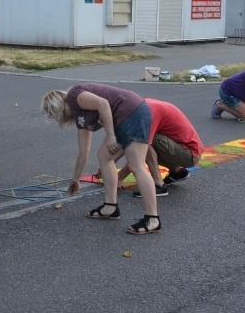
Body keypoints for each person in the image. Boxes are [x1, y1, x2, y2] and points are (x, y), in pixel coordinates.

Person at [41, 84, 161, 235]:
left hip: (133, 112)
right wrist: (75, 179)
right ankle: (110, 207)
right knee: (104, 156)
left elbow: (103, 104)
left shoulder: (73, 96)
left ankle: (153, 219)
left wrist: (110, 135)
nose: (57, 118)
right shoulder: (80, 115)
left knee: (136, 165)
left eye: (55, 113)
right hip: (124, 117)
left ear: (60, 105)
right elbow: (84, 152)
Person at [114, 98, 204, 197]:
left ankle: (158, 185)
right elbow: (125, 142)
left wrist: (119, 177)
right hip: (186, 149)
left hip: (189, 153)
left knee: (143, 141)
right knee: (141, 138)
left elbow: (138, 151)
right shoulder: (140, 106)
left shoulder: (147, 114)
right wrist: (109, 162)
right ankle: (177, 172)